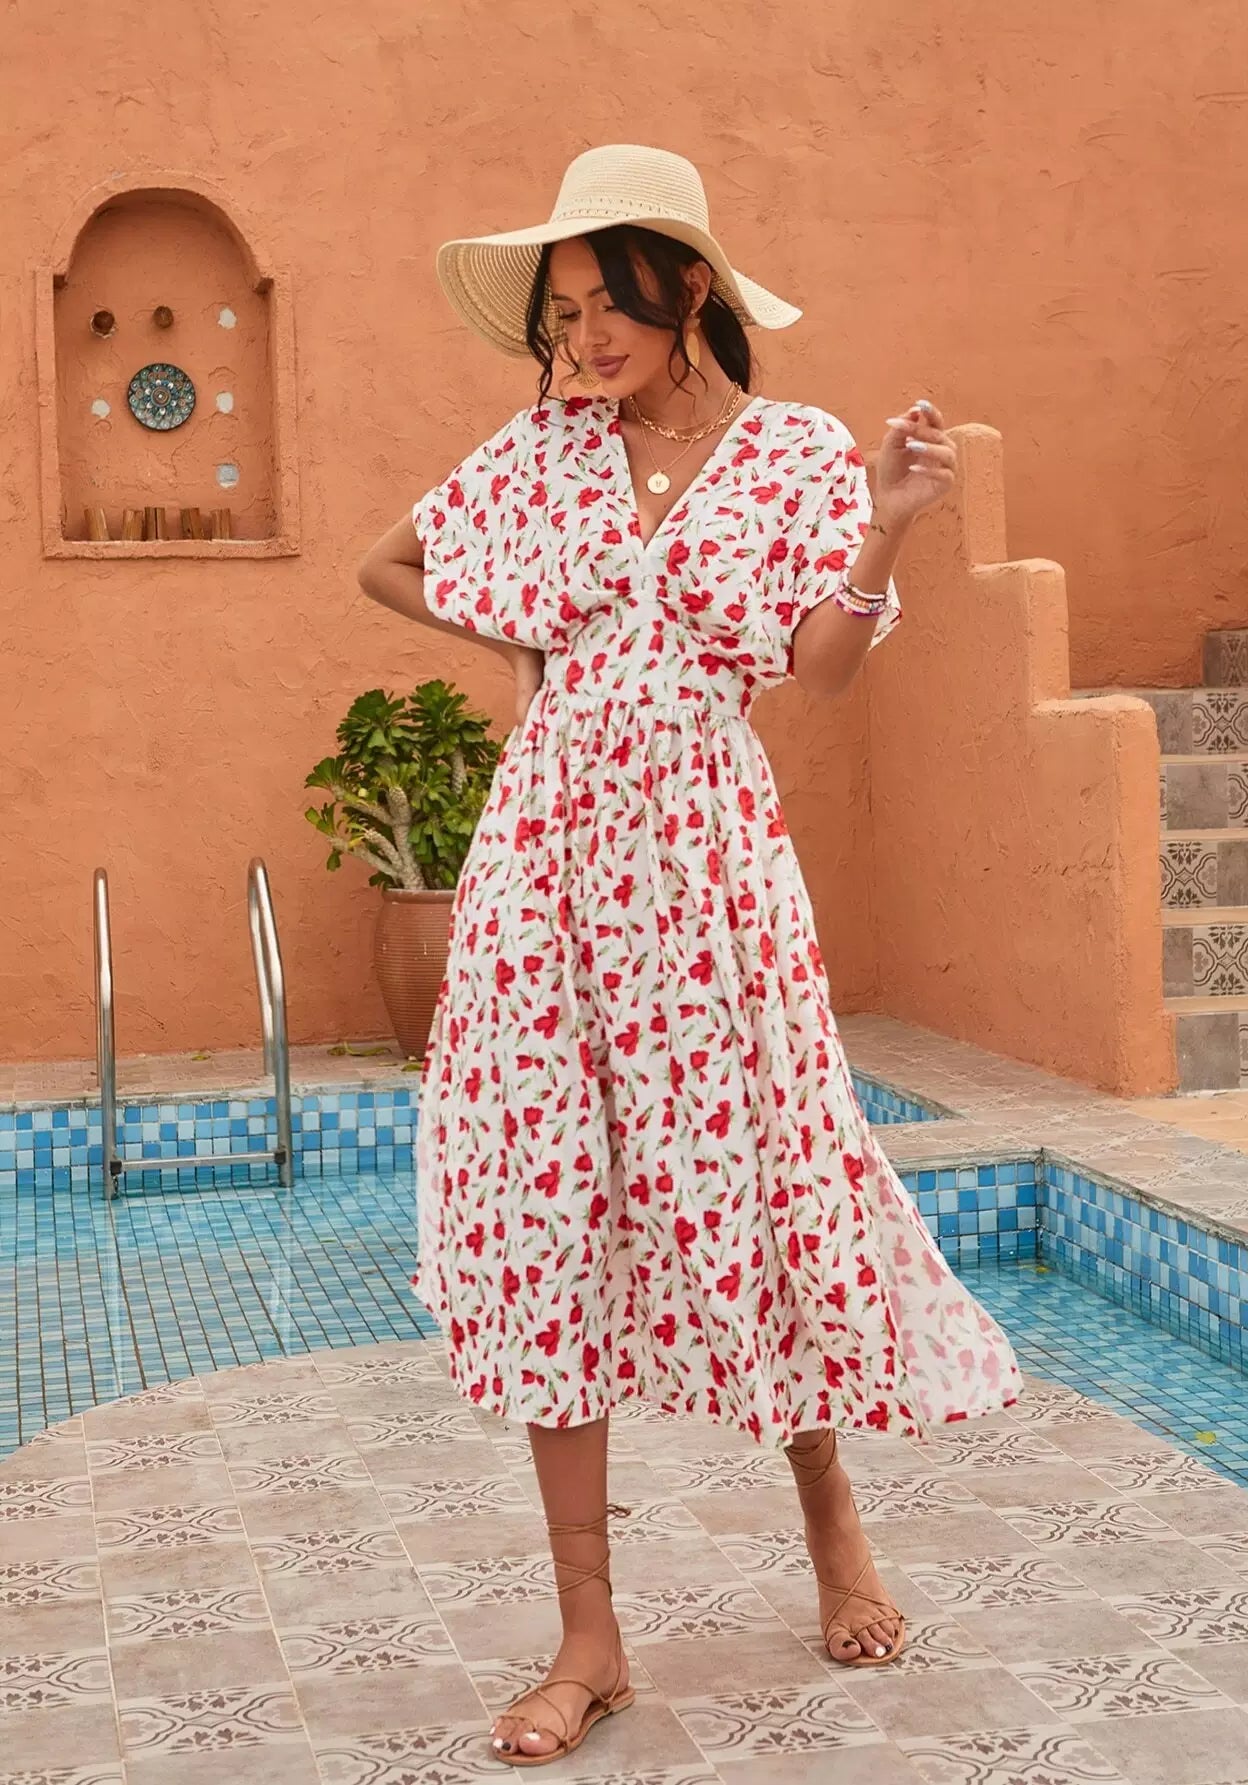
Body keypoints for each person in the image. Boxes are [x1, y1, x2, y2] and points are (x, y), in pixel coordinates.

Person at [358, 142, 1021, 1769]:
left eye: (610, 302)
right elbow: (387, 561)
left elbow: (825, 668)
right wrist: (532, 622)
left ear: (691, 291)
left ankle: (833, 1521)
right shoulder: (543, 453)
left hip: (712, 878)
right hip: (545, 875)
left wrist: (887, 529)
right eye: (563, 310)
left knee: (760, 1189)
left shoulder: (794, 453)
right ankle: (589, 1635)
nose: (583, 336)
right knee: (544, 1214)